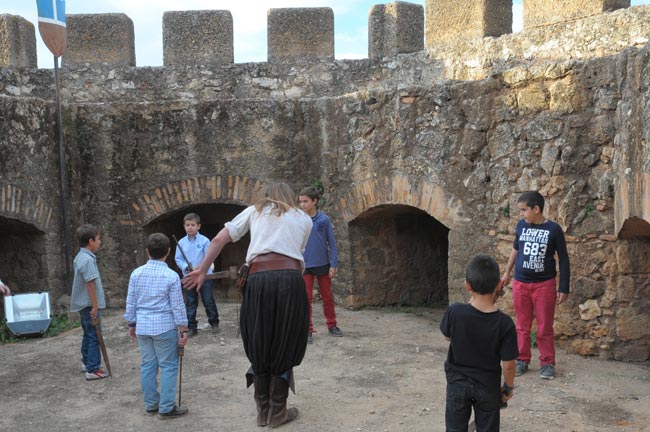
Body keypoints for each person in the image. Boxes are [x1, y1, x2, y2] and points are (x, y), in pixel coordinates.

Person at [183, 182, 312, 428]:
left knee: (260, 338)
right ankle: (277, 412)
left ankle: (263, 413)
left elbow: (220, 238)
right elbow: (297, 251)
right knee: (285, 339)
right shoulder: (303, 218)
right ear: (291, 197)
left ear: (267, 197)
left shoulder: (255, 210)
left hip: (259, 279)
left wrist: (201, 269)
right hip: (290, 279)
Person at [440, 254, 518, 432]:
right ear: (499, 284)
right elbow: (509, 364)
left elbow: (447, 336)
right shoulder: (505, 323)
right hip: (488, 387)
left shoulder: (455, 311)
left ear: (468, 285)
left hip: (456, 384)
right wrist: (508, 387)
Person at [501, 191, 570, 380]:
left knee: (544, 327)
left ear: (536, 209)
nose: (521, 214)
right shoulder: (521, 226)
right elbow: (516, 248)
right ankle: (522, 360)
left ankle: (547, 363)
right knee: (522, 326)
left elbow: (563, 259)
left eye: (524, 210)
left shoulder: (554, 230)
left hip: (544, 285)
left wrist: (563, 287)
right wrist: (507, 272)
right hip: (521, 283)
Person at [125, 233, 190, 419]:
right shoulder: (171, 276)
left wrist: (131, 323)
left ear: (147, 252)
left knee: (147, 365)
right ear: (168, 252)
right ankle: (167, 407)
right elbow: (177, 305)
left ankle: (151, 403)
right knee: (169, 366)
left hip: (143, 327)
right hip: (164, 327)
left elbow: (131, 302)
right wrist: (183, 329)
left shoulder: (136, 274)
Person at [298, 186, 343, 343]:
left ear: (314, 201)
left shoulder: (323, 220)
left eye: (305, 201)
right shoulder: (298, 220)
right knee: (306, 299)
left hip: (323, 264)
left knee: (327, 297)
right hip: (305, 265)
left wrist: (334, 264)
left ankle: (332, 325)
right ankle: (308, 330)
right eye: (300, 202)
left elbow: (332, 242)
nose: (302, 205)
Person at [69, 224, 109, 381]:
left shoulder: (80, 256)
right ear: (91, 241)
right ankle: (92, 368)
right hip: (89, 305)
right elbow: (90, 283)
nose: (100, 242)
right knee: (94, 335)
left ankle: (86, 362)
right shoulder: (87, 260)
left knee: (87, 333)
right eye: (98, 239)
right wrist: (95, 305)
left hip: (83, 304)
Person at [175, 212, 220, 337]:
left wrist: (198, 268)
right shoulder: (181, 243)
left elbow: (208, 257)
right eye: (188, 225)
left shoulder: (205, 240)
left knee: (208, 299)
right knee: (190, 301)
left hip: (204, 275)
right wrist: (186, 267)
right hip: (189, 276)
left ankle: (214, 323)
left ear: (198, 226)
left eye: (193, 225)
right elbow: (178, 259)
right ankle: (192, 327)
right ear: (184, 226)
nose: (190, 227)